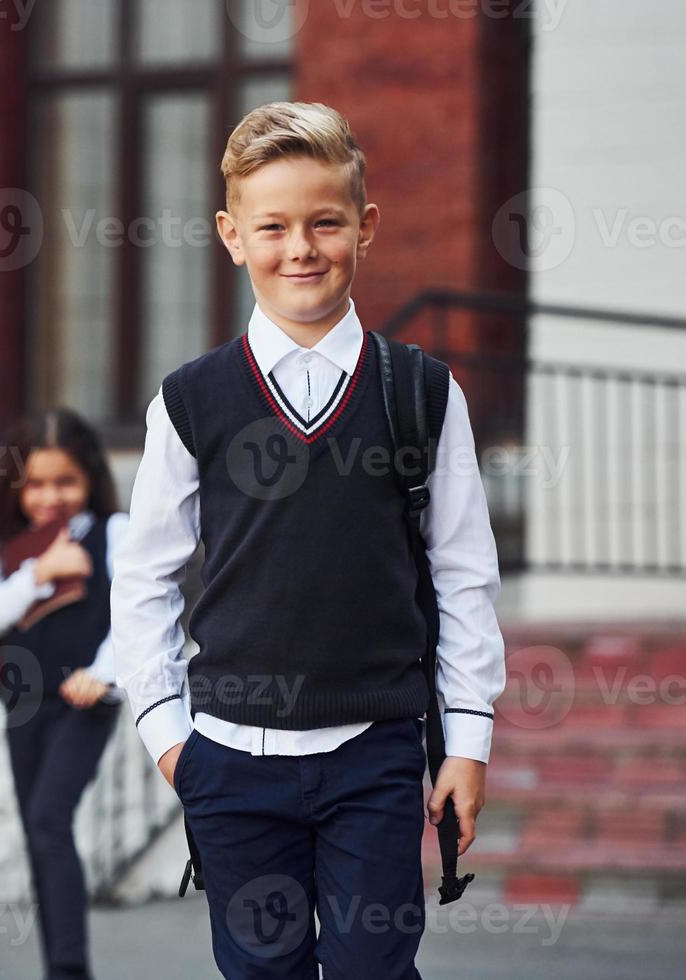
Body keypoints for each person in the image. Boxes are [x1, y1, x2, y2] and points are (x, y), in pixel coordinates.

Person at [110, 101, 507, 979]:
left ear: (363, 228)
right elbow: (142, 579)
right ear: (231, 234)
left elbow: (465, 576)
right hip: (229, 762)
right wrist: (170, 737)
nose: (302, 248)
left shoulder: (422, 394)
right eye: (274, 227)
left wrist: (468, 741)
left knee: (374, 969)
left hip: (374, 754)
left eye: (325, 222)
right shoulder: (191, 400)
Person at [0, 408, 125, 980]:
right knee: (38, 831)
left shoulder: (116, 533)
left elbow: (136, 617)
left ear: (89, 480)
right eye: (35, 483)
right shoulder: (5, 547)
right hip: (23, 703)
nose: (49, 496)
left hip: (85, 702)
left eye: (65, 482)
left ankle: (68, 969)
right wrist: (39, 571)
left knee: (49, 817)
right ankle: (56, 961)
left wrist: (103, 674)